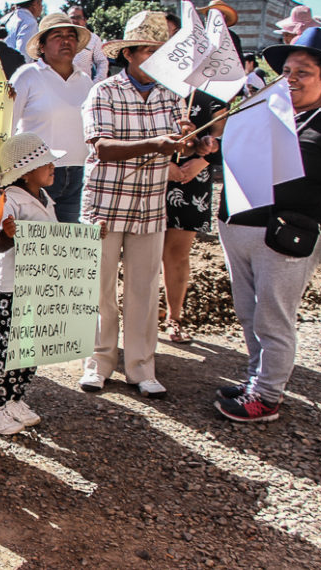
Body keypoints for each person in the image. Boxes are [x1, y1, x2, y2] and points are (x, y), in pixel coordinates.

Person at [77, 11, 216, 399]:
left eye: (162, 51)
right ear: (131, 54)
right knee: (100, 289)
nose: (157, 58)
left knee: (143, 288)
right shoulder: (103, 92)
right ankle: (98, 362)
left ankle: (141, 367)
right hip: (104, 204)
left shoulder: (174, 96)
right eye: (151, 51)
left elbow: (180, 144)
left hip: (150, 206)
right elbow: (101, 147)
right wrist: (159, 144)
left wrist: (193, 142)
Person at [214, 28, 321, 422]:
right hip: (240, 226)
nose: (290, 78)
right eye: (286, 70)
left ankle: (267, 396)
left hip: (289, 232)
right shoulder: (267, 109)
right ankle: (257, 378)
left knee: (274, 316)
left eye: (303, 71)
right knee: (249, 313)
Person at [0, 133, 59, 435]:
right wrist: (7, 235)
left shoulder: (43, 198)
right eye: (45, 162)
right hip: (15, 287)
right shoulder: (8, 200)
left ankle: (13, 398)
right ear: (26, 171)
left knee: (30, 347)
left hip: (38, 284)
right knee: (9, 349)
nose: (53, 166)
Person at [9, 13, 92, 224]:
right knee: (37, 245)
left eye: (71, 35)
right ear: (42, 46)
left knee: (68, 245)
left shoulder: (85, 81)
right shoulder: (27, 76)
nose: (66, 41)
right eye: (57, 35)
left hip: (80, 175)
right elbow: (7, 125)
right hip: (37, 175)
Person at [161, 90, 226, 344]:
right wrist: (163, 165)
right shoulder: (149, 85)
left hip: (194, 176)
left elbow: (223, 135)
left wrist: (203, 160)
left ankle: (174, 318)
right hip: (151, 171)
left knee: (178, 252)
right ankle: (139, 317)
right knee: (143, 251)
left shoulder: (213, 93)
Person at [67, 5, 107, 83]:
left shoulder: (93, 39)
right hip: (61, 85)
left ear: (85, 20)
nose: (75, 20)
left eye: (78, 17)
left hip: (83, 86)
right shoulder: (61, 37)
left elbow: (102, 62)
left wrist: (96, 83)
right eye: (72, 17)